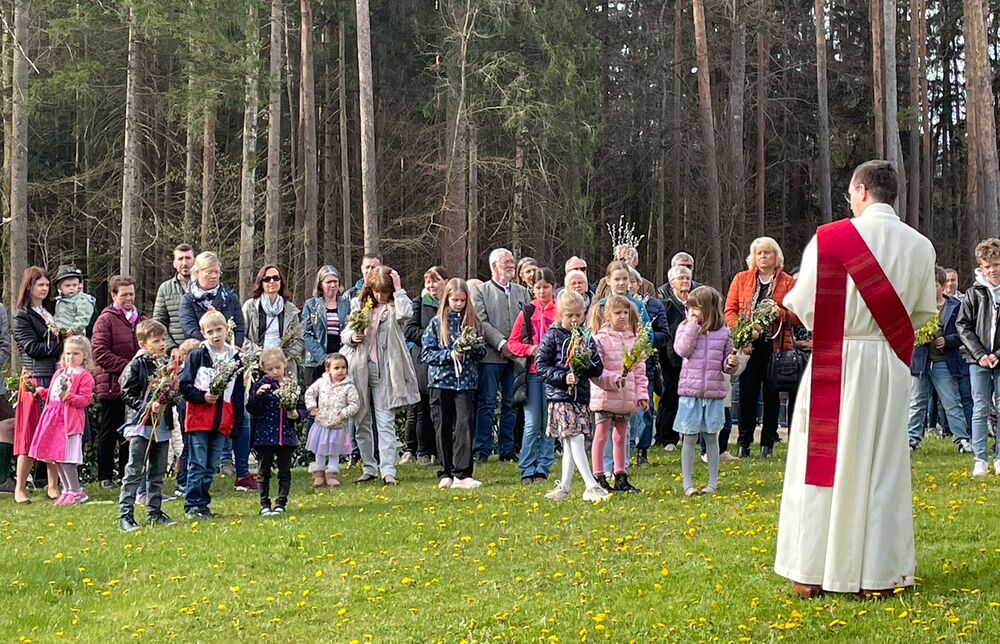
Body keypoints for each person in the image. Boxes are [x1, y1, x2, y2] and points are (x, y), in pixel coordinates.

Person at [774, 160, 936, 599]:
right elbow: (922, 311)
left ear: (862, 191)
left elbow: (804, 305)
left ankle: (810, 571)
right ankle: (877, 576)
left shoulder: (830, 239)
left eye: (851, 194)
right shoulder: (921, 247)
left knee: (820, 466)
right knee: (882, 466)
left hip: (836, 357)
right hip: (887, 363)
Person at [343, 266, 419, 486]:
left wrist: (398, 289)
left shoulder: (394, 307)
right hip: (360, 368)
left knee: (385, 422)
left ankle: (388, 470)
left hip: (385, 369)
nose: (380, 296)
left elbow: (406, 313)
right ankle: (368, 467)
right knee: (361, 420)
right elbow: (346, 332)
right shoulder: (360, 305)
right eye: (377, 291)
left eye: (384, 292)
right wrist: (352, 337)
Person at [724, 237, 797, 459]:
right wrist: (743, 333)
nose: (763, 257)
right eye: (759, 253)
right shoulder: (741, 279)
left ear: (776, 256)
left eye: (767, 253)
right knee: (747, 393)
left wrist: (778, 313)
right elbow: (730, 311)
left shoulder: (788, 282)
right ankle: (744, 443)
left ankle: (768, 443)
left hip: (775, 346)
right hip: (749, 347)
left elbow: (796, 316)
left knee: (772, 394)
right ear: (753, 257)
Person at [535, 290, 609, 503]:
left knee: (570, 442)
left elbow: (597, 369)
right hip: (560, 397)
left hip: (580, 397)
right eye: (569, 316)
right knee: (575, 438)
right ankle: (591, 485)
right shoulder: (552, 336)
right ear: (560, 315)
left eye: (578, 315)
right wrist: (562, 377)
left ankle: (564, 487)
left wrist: (588, 361)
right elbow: (541, 366)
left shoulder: (585, 337)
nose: (574, 320)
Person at [236, 264, 305, 491]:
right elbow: (241, 338)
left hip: (283, 368)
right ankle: (258, 461)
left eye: (276, 278)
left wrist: (281, 359)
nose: (272, 282)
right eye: (267, 279)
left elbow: (299, 340)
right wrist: (262, 356)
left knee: (286, 411)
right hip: (257, 367)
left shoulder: (291, 310)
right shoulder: (250, 307)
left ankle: (284, 462)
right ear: (261, 283)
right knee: (257, 411)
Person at [672, 287, 743, 497]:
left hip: (713, 394)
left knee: (711, 437)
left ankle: (712, 482)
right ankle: (688, 483)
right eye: (690, 308)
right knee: (689, 437)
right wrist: (692, 327)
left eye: (697, 308)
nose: (692, 312)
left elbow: (726, 365)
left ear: (709, 309)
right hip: (690, 393)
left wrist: (731, 363)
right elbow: (682, 350)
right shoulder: (685, 328)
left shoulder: (723, 333)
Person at [421, 278, 487, 489]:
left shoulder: (473, 322)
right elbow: (426, 353)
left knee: (464, 426)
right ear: (447, 299)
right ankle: (446, 471)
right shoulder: (436, 323)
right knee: (442, 426)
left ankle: (463, 473)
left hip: (466, 383)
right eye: (454, 300)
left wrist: (472, 348)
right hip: (441, 382)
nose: (458, 304)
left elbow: (482, 352)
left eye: (462, 300)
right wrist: (449, 355)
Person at [179, 310, 245, 519]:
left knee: (211, 465)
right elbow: (184, 385)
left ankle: (203, 504)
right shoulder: (198, 355)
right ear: (203, 333)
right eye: (210, 332)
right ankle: (192, 505)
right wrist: (202, 397)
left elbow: (238, 393)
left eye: (219, 330)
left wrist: (237, 422)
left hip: (223, 418)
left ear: (227, 329)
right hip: (199, 418)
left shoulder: (235, 358)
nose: (215, 335)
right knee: (198, 463)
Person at [472, 248, 531, 462]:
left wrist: (517, 346)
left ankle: (507, 450)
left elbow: (527, 322)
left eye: (512, 261)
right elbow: (482, 322)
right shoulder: (480, 291)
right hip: (490, 357)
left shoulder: (522, 292)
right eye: (506, 262)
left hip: (516, 358)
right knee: (487, 403)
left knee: (511, 403)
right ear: (494, 266)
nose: (511, 265)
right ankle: (482, 449)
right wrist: (501, 344)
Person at [117, 320, 177, 531]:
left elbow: (171, 393)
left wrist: (170, 397)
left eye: (163, 340)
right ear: (143, 344)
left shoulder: (165, 365)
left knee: (157, 471)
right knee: (134, 470)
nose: (162, 344)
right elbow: (126, 392)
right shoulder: (136, 364)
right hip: (141, 424)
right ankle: (125, 516)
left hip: (161, 425)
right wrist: (147, 406)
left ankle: (155, 512)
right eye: (156, 341)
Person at [12, 267, 64, 503]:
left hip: (55, 376)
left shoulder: (49, 311)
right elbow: (32, 348)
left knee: (53, 431)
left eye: (46, 285)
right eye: (40, 285)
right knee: (28, 433)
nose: (44, 289)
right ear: (29, 287)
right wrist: (60, 345)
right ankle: (20, 488)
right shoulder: (22, 316)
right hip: (34, 378)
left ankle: (53, 485)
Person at [906, 266, 972, 454]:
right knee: (917, 403)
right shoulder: (917, 307)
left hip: (943, 362)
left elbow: (964, 333)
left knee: (951, 402)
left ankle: (962, 439)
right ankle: (911, 440)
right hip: (921, 361)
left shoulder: (955, 306)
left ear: (942, 286)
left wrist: (948, 340)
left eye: (934, 285)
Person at [589, 294, 648, 494]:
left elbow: (639, 371)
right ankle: (599, 476)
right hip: (606, 394)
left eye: (625, 312)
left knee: (621, 435)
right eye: (617, 313)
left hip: (625, 396)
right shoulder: (600, 339)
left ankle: (620, 474)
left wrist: (642, 394)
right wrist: (613, 379)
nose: (622, 316)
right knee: (601, 434)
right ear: (608, 315)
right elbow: (596, 370)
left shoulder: (634, 340)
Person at [28, 335, 95, 506]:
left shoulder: (84, 376)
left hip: (68, 422)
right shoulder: (60, 372)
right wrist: (42, 392)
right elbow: (53, 393)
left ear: (85, 356)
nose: (71, 357)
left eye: (76, 353)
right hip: (52, 418)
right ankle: (67, 489)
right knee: (56, 456)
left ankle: (76, 490)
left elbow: (85, 400)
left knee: (67, 457)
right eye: (68, 353)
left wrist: (69, 397)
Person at [92, 275, 143, 488]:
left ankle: (125, 473)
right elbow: (100, 352)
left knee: (130, 430)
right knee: (109, 430)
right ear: (114, 295)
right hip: (113, 384)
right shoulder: (106, 320)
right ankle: (105, 475)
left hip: (134, 387)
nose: (129, 298)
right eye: (124, 295)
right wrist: (130, 367)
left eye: (131, 294)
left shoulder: (139, 319)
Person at [508, 267, 558, 484]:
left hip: (554, 375)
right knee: (532, 423)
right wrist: (530, 349)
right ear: (532, 289)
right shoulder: (527, 312)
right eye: (538, 287)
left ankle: (543, 467)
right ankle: (526, 467)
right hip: (533, 375)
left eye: (546, 287)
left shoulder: (560, 311)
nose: (542, 291)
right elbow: (513, 343)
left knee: (549, 424)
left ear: (554, 287)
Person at [957, 238, 1000, 477]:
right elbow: (963, 326)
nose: (992, 270)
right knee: (980, 407)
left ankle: (999, 457)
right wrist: (980, 354)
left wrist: (997, 354)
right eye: (987, 266)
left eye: (996, 264)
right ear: (981, 268)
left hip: (999, 358)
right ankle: (980, 458)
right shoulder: (974, 294)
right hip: (978, 361)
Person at [247, 348, 304, 516]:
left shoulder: (291, 385)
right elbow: (252, 409)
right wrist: (258, 396)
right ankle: (264, 504)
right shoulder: (261, 385)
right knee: (263, 471)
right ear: (263, 369)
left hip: (286, 436)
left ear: (285, 364)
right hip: (265, 436)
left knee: (285, 471)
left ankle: (281, 502)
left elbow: (301, 407)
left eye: (278, 367)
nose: (275, 372)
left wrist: (297, 415)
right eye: (270, 369)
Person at [402, 265, 449, 466]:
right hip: (423, 360)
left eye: (435, 281)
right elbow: (410, 330)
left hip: (446, 362)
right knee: (422, 407)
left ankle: (440, 452)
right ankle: (422, 451)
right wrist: (433, 338)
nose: (431, 285)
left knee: (441, 409)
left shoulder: (452, 302)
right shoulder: (420, 303)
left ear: (446, 281)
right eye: (428, 282)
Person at [304, 353, 360, 487]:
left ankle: (332, 474)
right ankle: (319, 474)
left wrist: (343, 413)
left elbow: (355, 404)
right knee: (320, 449)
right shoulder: (321, 383)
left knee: (334, 451)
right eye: (336, 368)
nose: (340, 371)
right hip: (321, 424)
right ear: (327, 369)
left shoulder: (349, 387)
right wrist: (312, 407)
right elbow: (310, 393)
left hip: (338, 426)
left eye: (343, 367)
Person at [655, 265, 691, 452]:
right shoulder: (665, 305)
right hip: (670, 358)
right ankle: (666, 437)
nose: (685, 281)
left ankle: (688, 435)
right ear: (671, 283)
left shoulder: (695, 303)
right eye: (681, 278)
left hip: (691, 359)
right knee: (669, 396)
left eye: (687, 278)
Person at [179, 251, 245, 346]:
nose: (214, 276)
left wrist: (231, 347)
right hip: (199, 349)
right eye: (209, 272)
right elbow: (190, 330)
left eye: (217, 272)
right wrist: (213, 346)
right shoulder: (188, 300)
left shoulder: (231, 298)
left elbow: (239, 328)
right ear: (197, 273)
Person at [302, 266, 351, 385]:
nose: (333, 285)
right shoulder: (311, 305)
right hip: (316, 362)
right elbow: (306, 334)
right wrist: (323, 359)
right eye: (328, 282)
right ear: (320, 285)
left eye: (335, 281)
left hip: (341, 361)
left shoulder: (347, 304)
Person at [153, 244, 195, 352]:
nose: (184, 263)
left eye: (188, 258)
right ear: (174, 263)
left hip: (201, 348)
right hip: (175, 351)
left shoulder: (204, 287)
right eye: (180, 259)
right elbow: (159, 322)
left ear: (194, 261)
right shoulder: (165, 288)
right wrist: (171, 348)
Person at [52, 265, 96, 336]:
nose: (71, 288)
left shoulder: (82, 300)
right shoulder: (59, 300)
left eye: (74, 285)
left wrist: (73, 329)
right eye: (67, 285)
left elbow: (83, 317)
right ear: (59, 287)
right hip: (59, 335)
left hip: (74, 335)